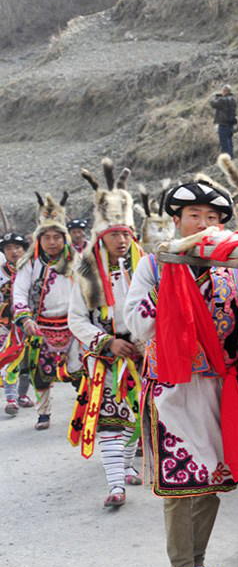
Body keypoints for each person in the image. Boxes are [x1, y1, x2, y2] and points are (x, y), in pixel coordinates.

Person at [124, 181, 238, 567]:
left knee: (211, 481)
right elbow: (136, 322)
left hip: (219, 385)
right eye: (194, 217)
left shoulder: (234, 269)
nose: (204, 225)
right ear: (177, 222)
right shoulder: (155, 266)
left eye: (212, 219)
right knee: (180, 483)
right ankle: (181, 566)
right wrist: (173, 288)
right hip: (172, 388)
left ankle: (198, 558)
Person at [67, 177, 144, 508]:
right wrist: (106, 342)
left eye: (125, 233)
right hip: (107, 357)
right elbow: (76, 319)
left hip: (143, 354)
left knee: (138, 417)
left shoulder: (145, 265)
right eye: (114, 234)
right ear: (101, 236)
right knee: (110, 419)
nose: (121, 240)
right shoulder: (86, 272)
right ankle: (116, 485)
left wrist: (145, 340)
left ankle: (126, 464)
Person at [12, 198, 80, 430]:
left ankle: (85, 410)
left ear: (65, 238)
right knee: (41, 373)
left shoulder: (77, 261)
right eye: (47, 237)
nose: (52, 242)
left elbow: (90, 290)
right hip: (41, 325)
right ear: (39, 239)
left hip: (74, 324)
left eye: (57, 237)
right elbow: (19, 292)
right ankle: (43, 413)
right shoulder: (30, 263)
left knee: (81, 370)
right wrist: (25, 317)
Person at [0, 232, 32, 415]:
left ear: (23, 250)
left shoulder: (32, 270)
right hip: (5, 324)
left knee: (27, 362)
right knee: (11, 358)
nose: (13, 251)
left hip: (29, 322)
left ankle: (22, 395)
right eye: (8, 248)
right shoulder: (1, 273)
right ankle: (10, 398)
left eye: (17, 247)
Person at [210, 85, 237, 157]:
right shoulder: (233, 99)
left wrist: (215, 97)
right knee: (230, 143)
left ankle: (227, 160)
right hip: (231, 124)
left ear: (225, 91)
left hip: (223, 125)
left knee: (224, 145)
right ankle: (231, 157)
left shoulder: (222, 100)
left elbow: (213, 104)